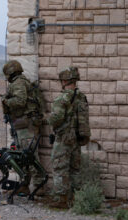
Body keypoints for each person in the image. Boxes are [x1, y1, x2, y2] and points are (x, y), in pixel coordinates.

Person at [48, 66, 90, 208]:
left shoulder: (62, 98)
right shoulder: (81, 96)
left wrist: (47, 119)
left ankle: (61, 199)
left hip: (64, 138)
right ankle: (76, 199)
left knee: (59, 167)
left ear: (65, 80)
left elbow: (57, 117)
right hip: (76, 138)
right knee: (75, 169)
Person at [1, 60, 45, 195]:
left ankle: (39, 187)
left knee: (30, 156)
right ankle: (24, 185)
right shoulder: (21, 82)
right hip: (22, 124)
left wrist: (6, 101)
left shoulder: (19, 83)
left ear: (10, 73)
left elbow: (20, 101)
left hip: (26, 126)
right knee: (23, 156)